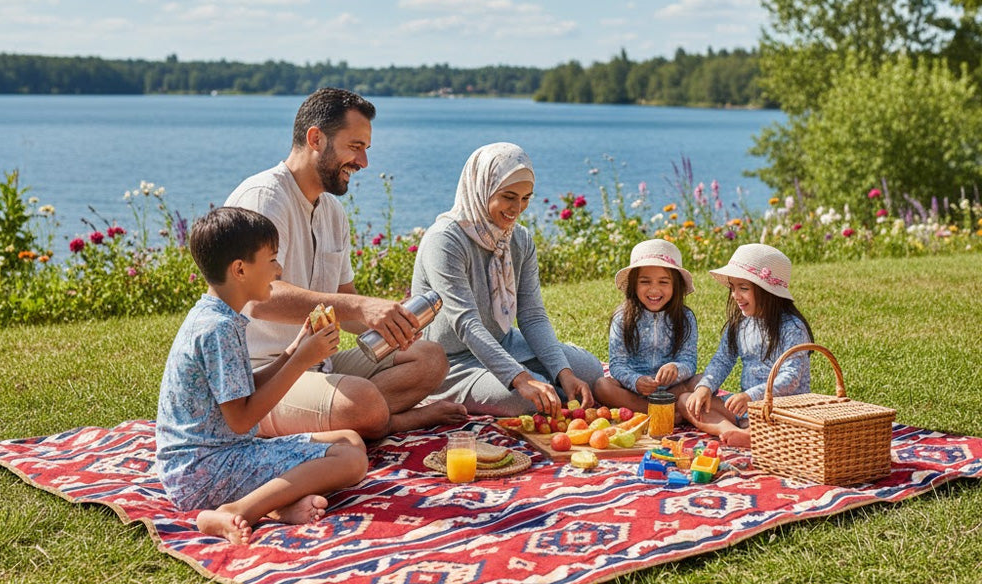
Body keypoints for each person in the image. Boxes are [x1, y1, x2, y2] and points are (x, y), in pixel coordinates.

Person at [225, 88, 465, 440]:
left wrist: (388, 318)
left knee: (430, 359)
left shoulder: (332, 212)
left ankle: (353, 416)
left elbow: (343, 300)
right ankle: (390, 420)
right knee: (362, 402)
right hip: (262, 378)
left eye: (366, 149)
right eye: (355, 147)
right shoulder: (264, 199)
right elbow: (257, 299)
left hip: (320, 363)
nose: (363, 162)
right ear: (316, 138)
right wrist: (360, 306)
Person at [155, 206, 368, 546]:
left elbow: (241, 391)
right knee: (352, 460)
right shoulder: (219, 330)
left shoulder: (216, 316)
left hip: (208, 460)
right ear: (240, 269)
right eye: (271, 260)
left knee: (350, 440)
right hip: (204, 473)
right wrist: (301, 362)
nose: (279, 269)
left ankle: (279, 506)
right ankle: (236, 510)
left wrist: (293, 349)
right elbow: (241, 419)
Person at [410, 142, 604, 417]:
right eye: (509, 196)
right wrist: (521, 378)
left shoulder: (519, 239)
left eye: (526, 198)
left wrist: (564, 373)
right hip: (449, 363)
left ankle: (549, 382)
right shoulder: (445, 240)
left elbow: (533, 316)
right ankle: (538, 384)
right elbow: (466, 323)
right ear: (482, 188)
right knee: (525, 402)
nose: (518, 208)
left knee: (590, 371)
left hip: (504, 344)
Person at [680, 243, 813, 447]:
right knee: (686, 402)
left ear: (768, 292)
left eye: (743, 288)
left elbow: (791, 378)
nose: (735, 295)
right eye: (733, 287)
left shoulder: (792, 327)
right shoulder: (740, 324)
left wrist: (751, 396)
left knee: (790, 428)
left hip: (783, 411)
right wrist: (705, 388)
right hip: (748, 410)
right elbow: (722, 360)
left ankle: (757, 435)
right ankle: (734, 431)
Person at [594, 239, 698, 412]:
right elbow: (617, 363)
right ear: (634, 284)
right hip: (632, 391)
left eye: (663, 282)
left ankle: (663, 408)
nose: (654, 290)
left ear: (676, 285)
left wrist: (676, 369)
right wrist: (635, 381)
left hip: (672, 389)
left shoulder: (685, 317)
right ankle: (655, 411)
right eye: (645, 281)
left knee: (703, 381)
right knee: (601, 386)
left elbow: (689, 361)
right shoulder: (622, 317)